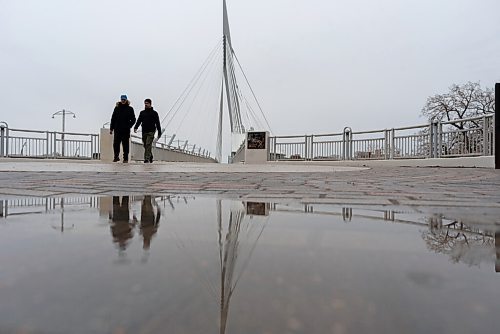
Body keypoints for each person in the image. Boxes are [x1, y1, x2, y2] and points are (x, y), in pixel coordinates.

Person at [134, 98, 162, 163]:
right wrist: (136, 127)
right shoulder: (142, 113)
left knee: (148, 144)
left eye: (147, 103)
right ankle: (150, 155)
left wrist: (159, 132)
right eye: (145, 103)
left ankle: (146, 159)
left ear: (150, 104)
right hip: (144, 131)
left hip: (151, 131)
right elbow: (139, 120)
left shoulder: (154, 113)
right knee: (145, 145)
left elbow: (157, 122)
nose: (146, 105)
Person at [110, 95, 136, 163]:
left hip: (126, 130)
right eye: (122, 99)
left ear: (126, 100)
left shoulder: (130, 109)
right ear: (120, 100)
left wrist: (129, 126)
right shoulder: (117, 108)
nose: (123, 101)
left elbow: (133, 119)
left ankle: (125, 158)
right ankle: (116, 157)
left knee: (125, 145)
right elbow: (113, 118)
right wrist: (111, 128)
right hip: (117, 129)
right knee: (116, 144)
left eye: (124, 100)